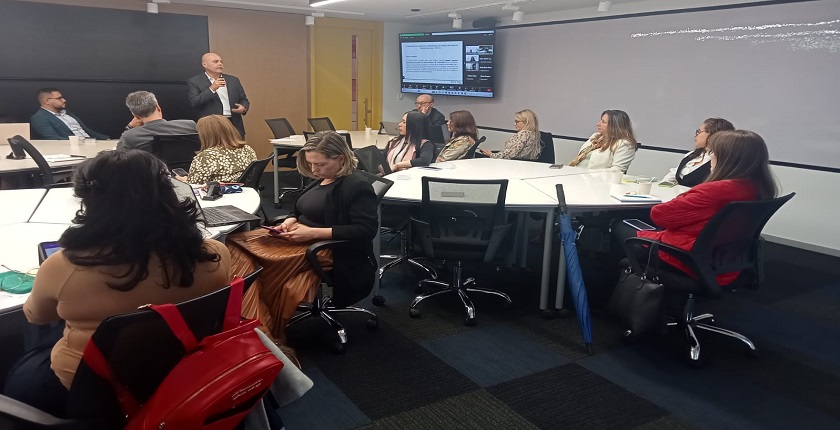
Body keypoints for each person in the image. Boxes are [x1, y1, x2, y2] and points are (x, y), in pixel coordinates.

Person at [4, 149, 232, 417]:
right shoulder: (215, 253)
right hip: (182, 370)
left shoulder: (64, 265)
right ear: (168, 192)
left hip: (92, 390)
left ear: (89, 199)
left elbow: (36, 316)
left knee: (32, 349)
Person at [225, 131, 377, 345]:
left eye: (320, 164)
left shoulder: (356, 186)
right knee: (233, 243)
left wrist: (312, 233)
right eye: (311, 164)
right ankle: (254, 319)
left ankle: (259, 329)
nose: (314, 170)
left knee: (253, 264)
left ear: (341, 159)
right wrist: (289, 221)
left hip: (325, 248)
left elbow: (365, 230)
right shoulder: (322, 179)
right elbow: (299, 209)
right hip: (298, 237)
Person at [613, 130, 778, 285]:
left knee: (618, 224)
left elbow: (659, 216)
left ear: (727, 158)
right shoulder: (758, 188)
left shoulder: (714, 191)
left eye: (712, 152)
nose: (710, 157)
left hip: (685, 258)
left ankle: (615, 282)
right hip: (726, 261)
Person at [187, 53, 250, 138]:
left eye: (221, 62)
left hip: (234, 124)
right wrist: (212, 89)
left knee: (238, 146)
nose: (220, 64)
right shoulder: (195, 81)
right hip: (212, 126)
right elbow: (194, 102)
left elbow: (243, 99)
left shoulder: (233, 80)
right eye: (215, 62)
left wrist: (243, 108)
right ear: (204, 64)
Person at [182, 114, 257, 184]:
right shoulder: (248, 149)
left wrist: (184, 181)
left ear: (205, 136)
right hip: (246, 191)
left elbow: (194, 185)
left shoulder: (205, 157)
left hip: (219, 193)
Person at [661, 118, 734, 187]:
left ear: (711, 135)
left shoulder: (720, 163)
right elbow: (674, 173)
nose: (695, 135)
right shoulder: (694, 154)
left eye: (699, 132)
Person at [116, 91, 198, 152]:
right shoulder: (190, 125)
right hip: (188, 169)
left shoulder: (130, 137)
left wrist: (129, 127)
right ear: (158, 107)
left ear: (135, 115)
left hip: (154, 170)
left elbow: (119, 157)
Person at [569, 110, 637, 172]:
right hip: (576, 174)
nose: (598, 124)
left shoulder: (624, 144)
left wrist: (589, 174)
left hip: (597, 179)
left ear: (615, 126)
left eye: (603, 122)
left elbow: (617, 170)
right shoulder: (595, 136)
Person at [29, 88, 108, 140]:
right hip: (75, 149)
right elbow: (53, 139)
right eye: (59, 98)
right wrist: (84, 142)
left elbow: (88, 131)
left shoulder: (68, 113)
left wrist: (107, 139)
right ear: (47, 101)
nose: (64, 100)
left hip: (91, 143)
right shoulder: (39, 118)